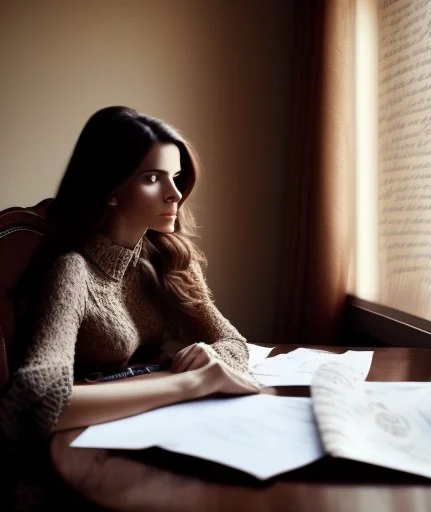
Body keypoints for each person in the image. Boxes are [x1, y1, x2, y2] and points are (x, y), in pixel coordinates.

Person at [0, 106, 261, 507]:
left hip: (154, 433)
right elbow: (38, 400)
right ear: (111, 189)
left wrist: (210, 353)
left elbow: (235, 345)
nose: (175, 193)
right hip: (81, 460)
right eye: (153, 178)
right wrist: (191, 382)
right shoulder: (74, 271)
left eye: (175, 177)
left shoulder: (168, 259)